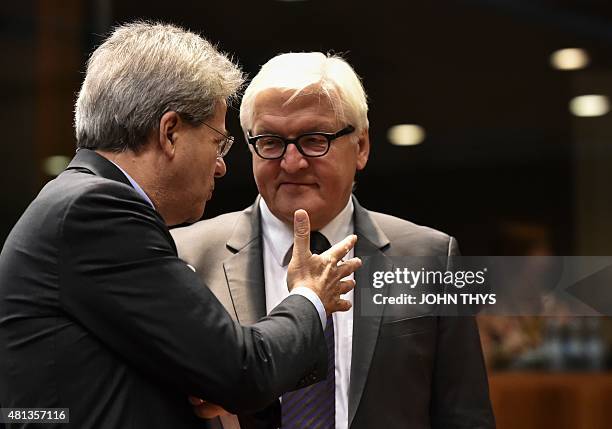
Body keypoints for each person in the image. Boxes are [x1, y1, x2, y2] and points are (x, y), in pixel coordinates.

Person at [0, 25, 362, 429]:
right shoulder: (98, 211)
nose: (222, 165)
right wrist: (310, 295)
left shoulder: (86, 205)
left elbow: (203, 372)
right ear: (170, 132)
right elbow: (243, 370)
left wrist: (204, 379)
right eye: (218, 143)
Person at [172, 52, 496, 429]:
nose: (291, 163)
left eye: (314, 140)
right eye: (271, 142)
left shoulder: (430, 259)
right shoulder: (187, 256)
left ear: (361, 147)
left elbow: (465, 416)